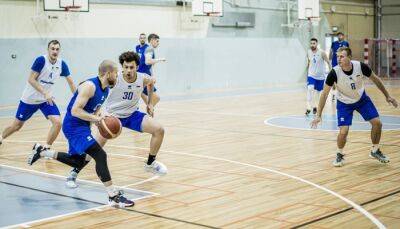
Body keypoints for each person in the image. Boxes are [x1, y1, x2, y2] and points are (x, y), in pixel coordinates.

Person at [28, 60, 134, 207]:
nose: (117, 78)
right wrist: (96, 119)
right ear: (108, 73)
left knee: (78, 161)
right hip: (73, 126)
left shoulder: (105, 90)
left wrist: (100, 118)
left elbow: (95, 108)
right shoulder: (89, 86)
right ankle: (112, 195)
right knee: (100, 155)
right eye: (116, 74)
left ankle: (42, 152)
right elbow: (75, 110)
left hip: (83, 126)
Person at [66, 51, 167, 188]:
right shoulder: (114, 79)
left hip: (132, 115)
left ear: (137, 67)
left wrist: (149, 103)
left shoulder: (143, 78)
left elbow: (151, 83)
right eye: (125, 67)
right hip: (112, 118)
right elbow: (94, 84)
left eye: (131, 67)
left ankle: (150, 163)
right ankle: (74, 171)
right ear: (122, 67)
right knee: (94, 149)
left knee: (159, 130)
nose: (128, 70)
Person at [311, 47, 398, 167]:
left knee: (377, 123)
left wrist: (387, 96)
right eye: (337, 57)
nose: (338, 59)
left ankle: (375, 150)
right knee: (343, 131)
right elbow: (325, 94)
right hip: (344, 103)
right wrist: (318, 115)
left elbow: (376, 80)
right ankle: (339, 154)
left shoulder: (360, 66)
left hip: (361, 99)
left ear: (349, 58)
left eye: (342, 56)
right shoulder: (334, 73)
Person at [0, 40, 76, 149]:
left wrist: (77, 98)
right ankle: (1, 137)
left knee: (58, 122)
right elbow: (31, 79)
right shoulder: (41, 60)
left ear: (60, 50)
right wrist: (45, 92)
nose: (55, 51)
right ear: (48, 49)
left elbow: (71, 82)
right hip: (29, 99)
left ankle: (46, 147)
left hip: (45, 100)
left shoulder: (61, 64)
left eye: (57, 49)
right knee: (16, 126)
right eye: (52, 49)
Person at [137, 33, 165, 107]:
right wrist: (161, 59)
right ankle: (149, 108)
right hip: (143, 75)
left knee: (152, 98)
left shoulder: (148, 48)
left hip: (144, 74)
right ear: (152, 40)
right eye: (157, 41)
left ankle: (148, 107)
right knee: (156, 98)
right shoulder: (150, 48)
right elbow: (148, 61)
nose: (158, 43)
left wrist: (153, 76)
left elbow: (150, 65)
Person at [305, 38, 331, 115]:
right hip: (311, 75)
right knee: (310, 88)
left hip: (320, 77)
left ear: (317, 44)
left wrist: (331, 72)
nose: (312, 45)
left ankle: (315, 107)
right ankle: (308, 107)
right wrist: (307, 73)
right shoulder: (308, 52)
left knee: (318, 93)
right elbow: (309, 62)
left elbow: (328, 62)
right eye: (311, 43)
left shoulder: (322, 52)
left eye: (314, 43)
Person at [329, 32, 350, 101]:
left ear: (343, 36)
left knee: (343, 78)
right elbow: (331, 52)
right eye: (338, 35)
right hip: (335, 63)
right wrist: (329, 60)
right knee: (334, 79)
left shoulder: (346, 43)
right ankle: (333, 95)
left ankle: (344, 94)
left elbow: (348, 53)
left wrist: (348, 61)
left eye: (341, 35)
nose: (339, 36)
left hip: (343, 63)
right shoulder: (334, 43)